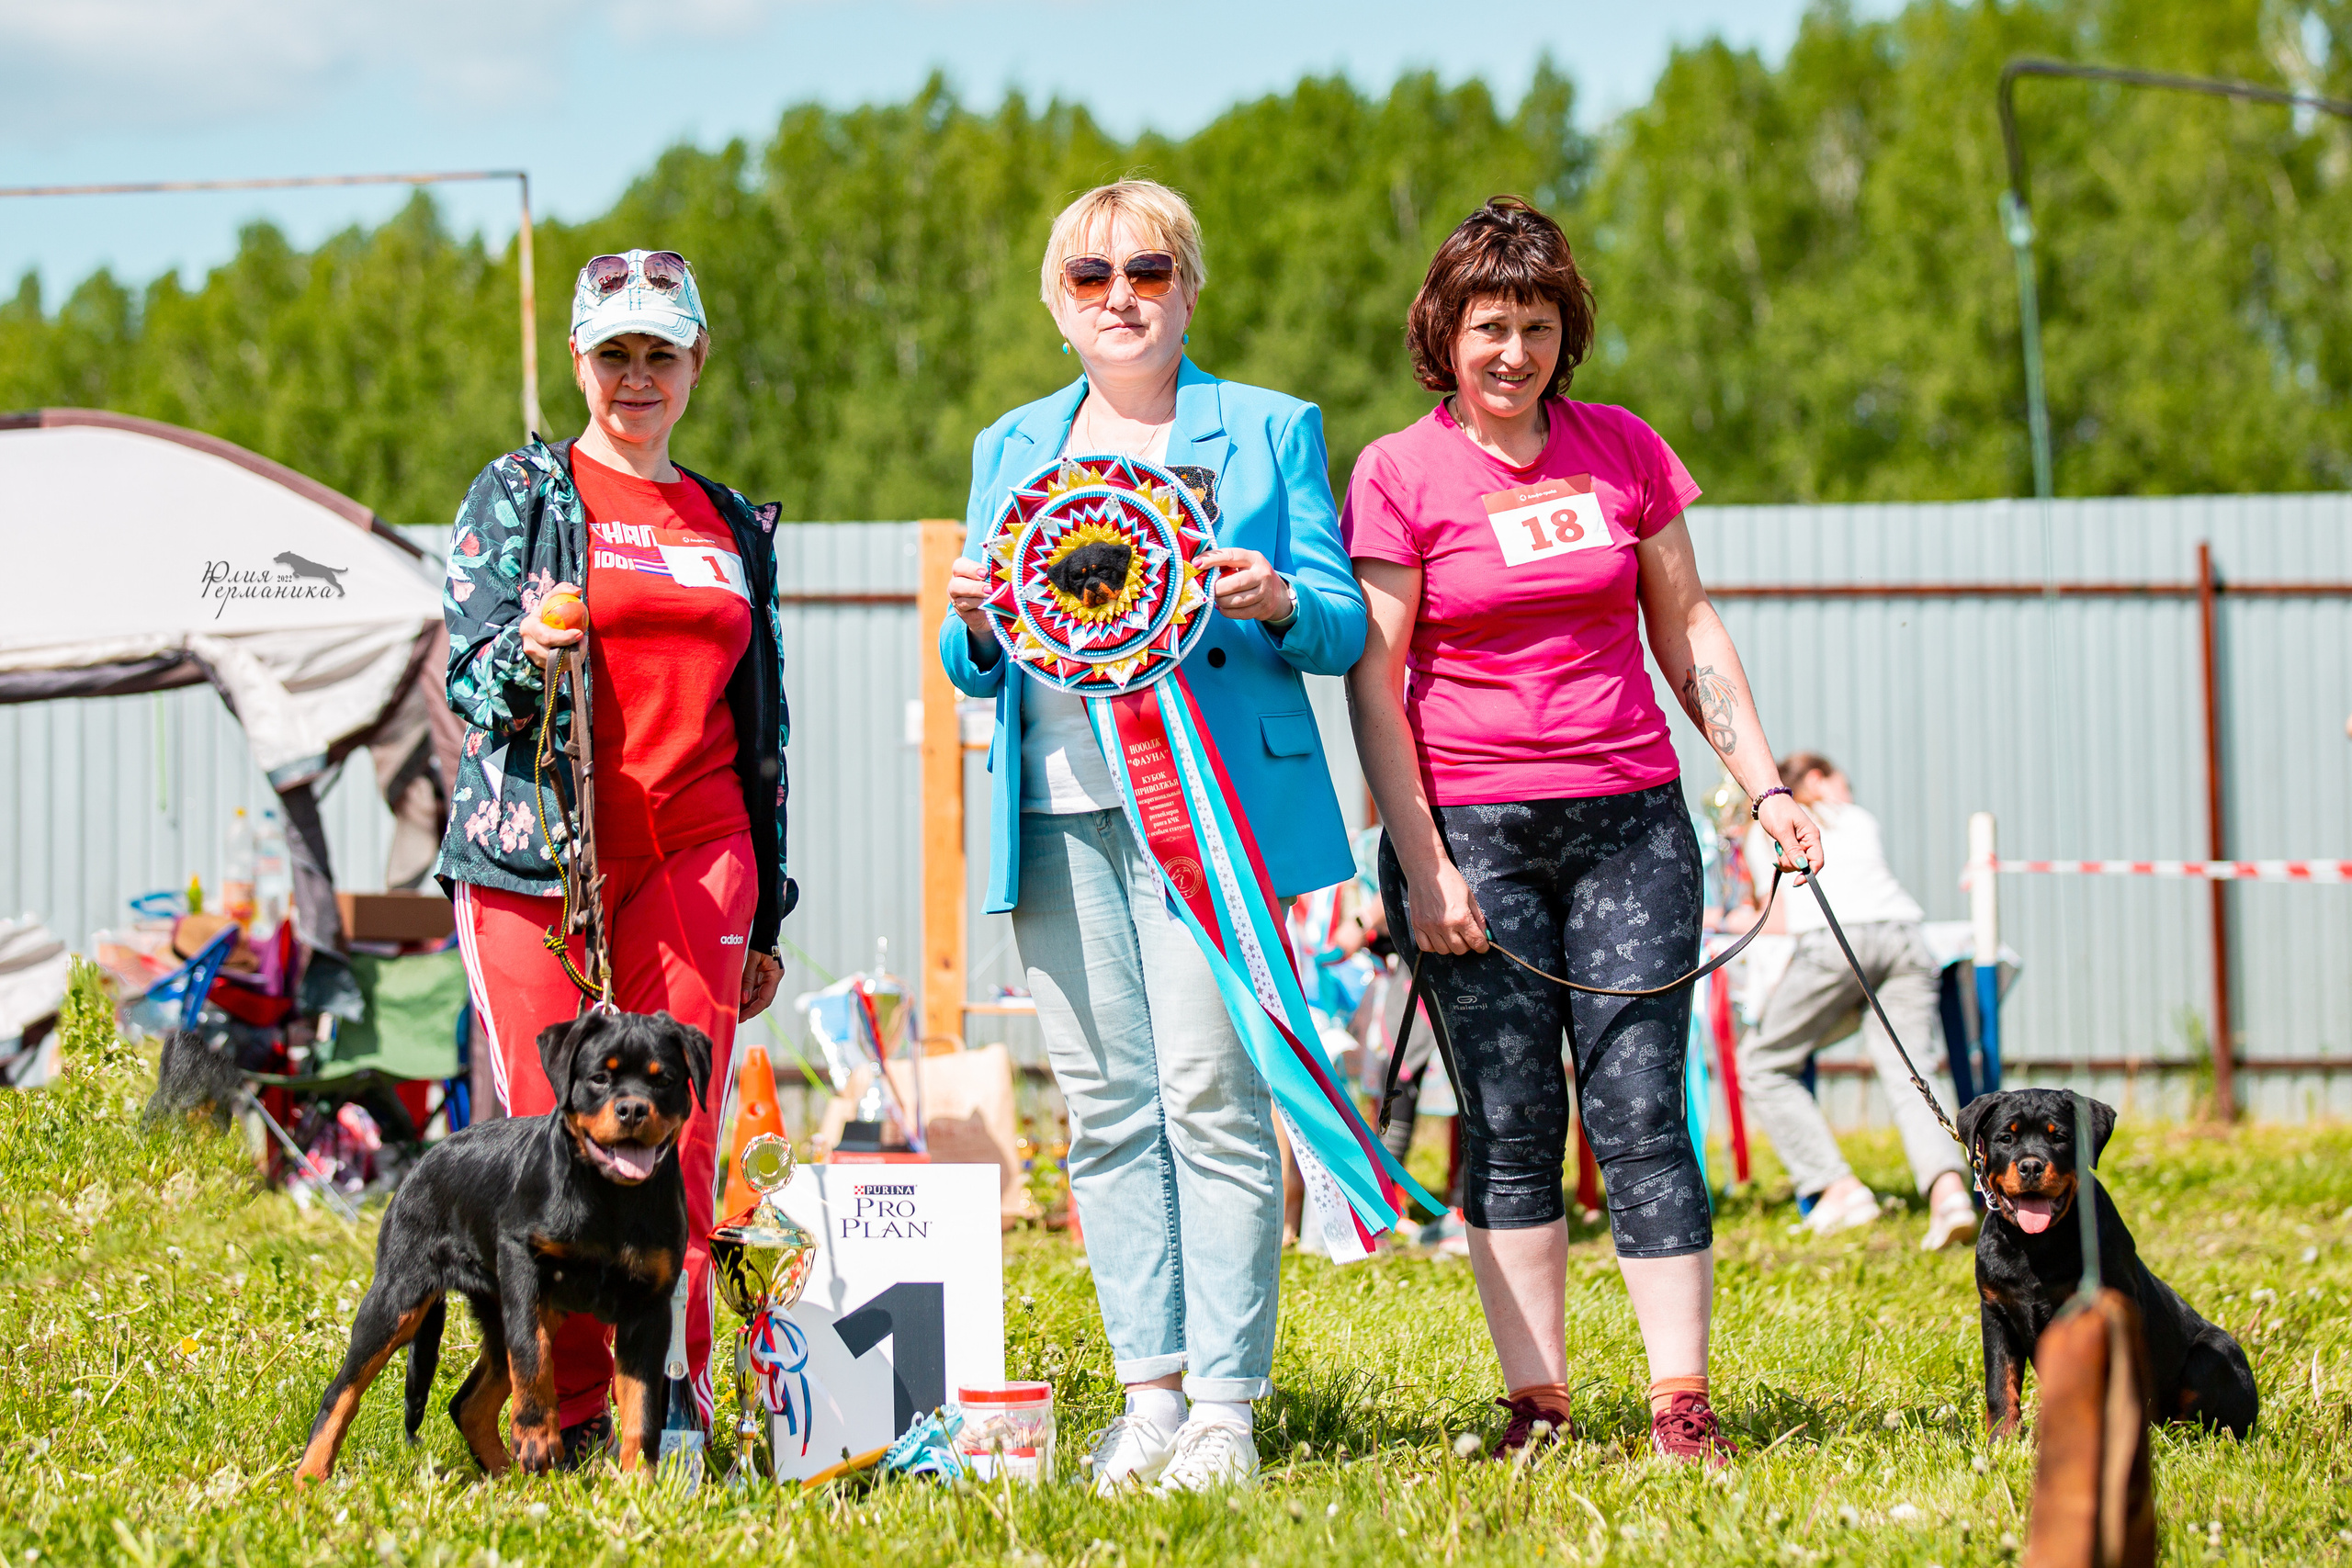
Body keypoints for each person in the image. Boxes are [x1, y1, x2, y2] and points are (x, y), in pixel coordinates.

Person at [1342, 197, 1824, 1465]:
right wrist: (1426, 859)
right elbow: (1373, 681)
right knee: (1507, 1122)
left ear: (1570, 334)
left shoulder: (1624, 451)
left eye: (1538, 324)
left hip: (1632, 828)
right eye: (1489, 325)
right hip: (1472, 836)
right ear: (1442, 333)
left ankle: (1682, 1404)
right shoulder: (1397, 471)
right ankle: (1538, 1404)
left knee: (1642, 1111)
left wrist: (1769, 789)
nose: (1514, 350)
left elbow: (1690, 628)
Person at [939, 179, 1365, 1494]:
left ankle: (1228, 1405)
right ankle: (1149, 1395)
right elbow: (975, 659)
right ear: (1057, 305)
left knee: (1212, 1098)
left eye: (1148, 269)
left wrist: (1280, 594)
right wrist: (974, 618)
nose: (1120, 295)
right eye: (1091, 276)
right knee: (1108, 1108)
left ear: (1190, 287)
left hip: (1213, 821)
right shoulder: (1012, 441)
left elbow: (1346, 626)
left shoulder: (1271, 428)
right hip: (1055, 811)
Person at [435, 248, 794, 1461]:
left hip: (700, 850)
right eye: (614, 353)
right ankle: (565, 1411)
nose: (638, 375)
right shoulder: (524, 493)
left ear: (696, 360)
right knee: (558, 1135)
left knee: (676, 1134)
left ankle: (668, 1409)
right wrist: (531, 654)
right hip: (540, 861)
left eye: (662, 351)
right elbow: (465, 684)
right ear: (581, 361)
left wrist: (773, 907)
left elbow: (766, 724)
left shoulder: (731, 519)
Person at [1737, 753, 1975, 1248]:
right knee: (1911, 1066)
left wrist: (1730, 918)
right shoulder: (1858, 818)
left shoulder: (1771, 826)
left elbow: (1778, 917)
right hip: (1906, 940)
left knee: (1762, 1062)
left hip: (1835, 945)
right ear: (1820, 779)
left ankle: (1837, 1186)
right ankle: (1949, 1192)